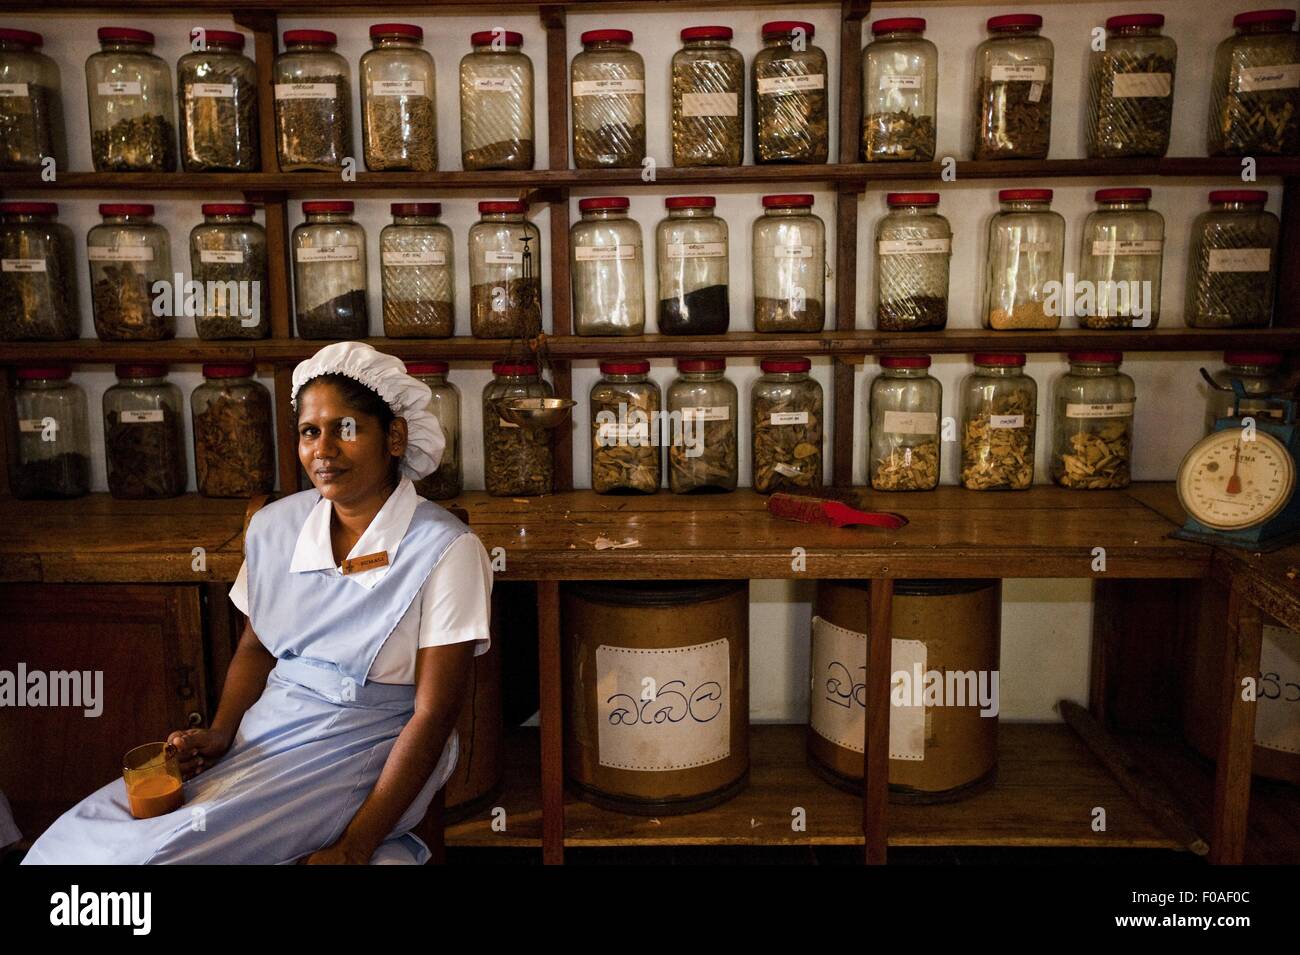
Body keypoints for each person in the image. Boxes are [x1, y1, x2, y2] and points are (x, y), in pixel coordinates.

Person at [23, 342, 492, 864]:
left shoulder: (444, 548)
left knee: (159, 857)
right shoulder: (275, 527)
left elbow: (433, 715)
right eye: (310, 432)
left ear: (395, 435)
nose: (324, 449)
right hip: (267, 733)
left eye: (347, 428)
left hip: (363, 749)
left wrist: (356, 845)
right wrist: (222, 730)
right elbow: (255, 645)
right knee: (73, 841)